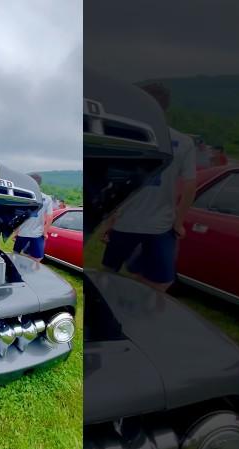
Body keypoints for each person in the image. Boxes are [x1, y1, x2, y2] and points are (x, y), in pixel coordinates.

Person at [101, 82, 197, 292]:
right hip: (161, 224)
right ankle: (139, 312)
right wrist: (179, 221)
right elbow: (191, 185)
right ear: (166, 106)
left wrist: (109, 219)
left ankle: (109, 309)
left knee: (108, 272)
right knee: (162, 282)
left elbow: (113, 182)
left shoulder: (124, 136)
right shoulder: (183, 141)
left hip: (126, 222)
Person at [12, 173, 54, 261]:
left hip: (22, 233)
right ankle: (32, 273)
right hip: (37, 234)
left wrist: (16, 232)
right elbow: (50, 217)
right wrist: (45, 232)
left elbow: (17, 216)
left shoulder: (21, 197)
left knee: (16, 256)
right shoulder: (47, 198)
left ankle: (18, 272)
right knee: (37, 258)